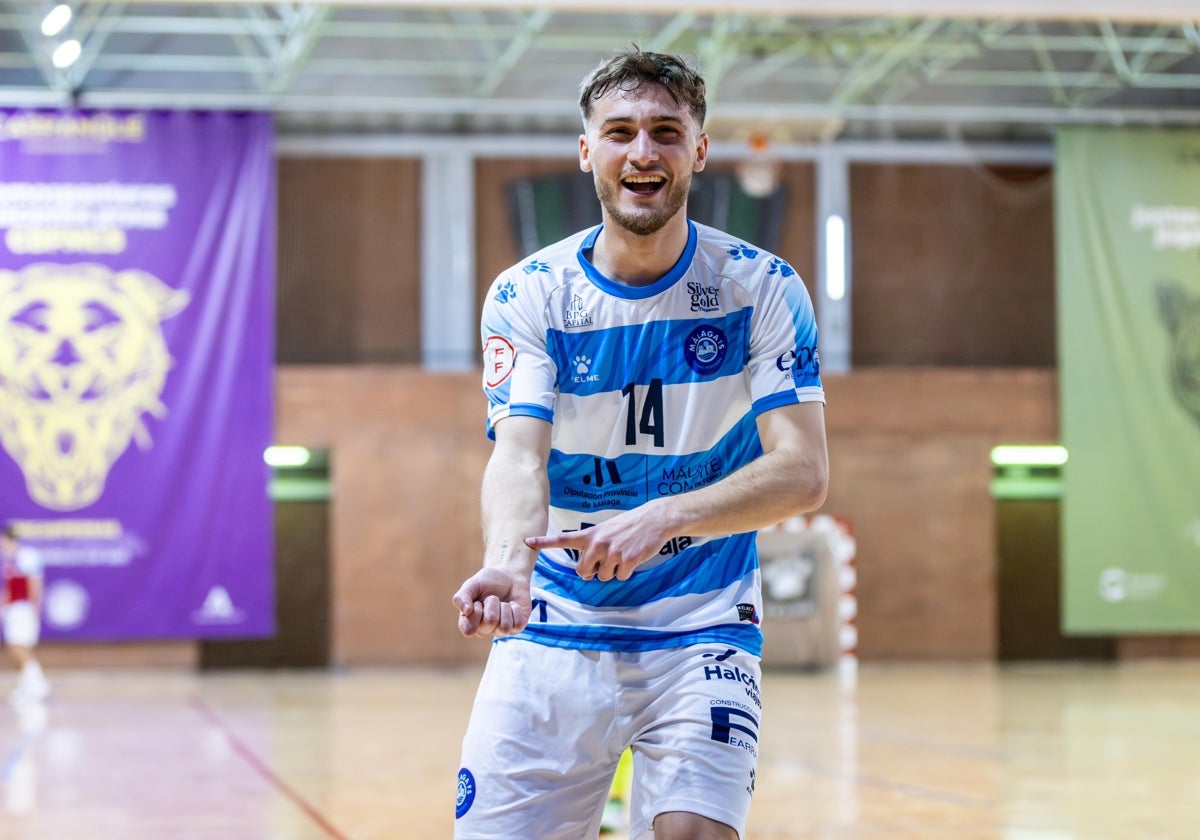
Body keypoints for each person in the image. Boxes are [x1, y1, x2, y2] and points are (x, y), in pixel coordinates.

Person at [452, 46, 828, 840]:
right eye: (619, 132)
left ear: (698, 149)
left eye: (665, 130)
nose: (643, 151)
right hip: (553, 622)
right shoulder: (529, 294)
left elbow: (802, 472)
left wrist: (663, 517)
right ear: (588, 151)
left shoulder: (760, 288)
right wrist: (507, 561)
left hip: (703, 623)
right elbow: (518, 455)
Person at [1, 525, 50, 704]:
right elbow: (9, 589)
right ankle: (27, 685)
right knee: (14, 647)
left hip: (24, 608)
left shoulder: (27, 557)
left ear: (10, 539)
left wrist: (34, 609)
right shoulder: (8, 560)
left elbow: (35, 585)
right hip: (12, 609)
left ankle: (39, 684)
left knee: (19, 646)